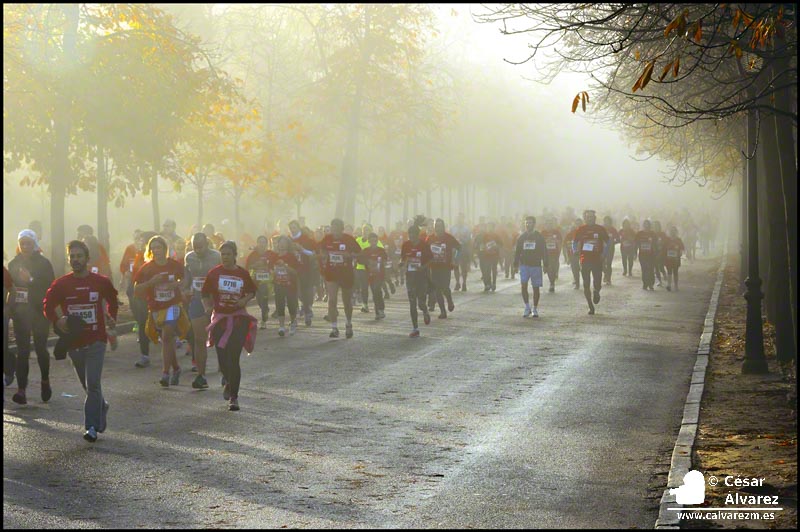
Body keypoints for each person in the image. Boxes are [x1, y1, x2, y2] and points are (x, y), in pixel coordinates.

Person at [43, 240, 117, 442]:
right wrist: (58, 320)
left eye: (79, 256)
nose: (76, 260)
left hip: (96, 340)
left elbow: (112, 299)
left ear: (87, 258)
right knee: (87, 385)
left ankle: (91, 427)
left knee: (93, 383)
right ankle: (101, 405)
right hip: (74, 342)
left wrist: (111, 317)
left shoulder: (100, 281)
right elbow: (48, 305)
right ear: (69, 260)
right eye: (72, 257)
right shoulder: (62, 284)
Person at [201, 241, 257, 411]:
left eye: (228, 254)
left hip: (238, 320)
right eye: (222, 254)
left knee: (233, 358)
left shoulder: (242, 274)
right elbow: (205, 293)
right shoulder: (214, 273)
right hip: (220, 320)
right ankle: (227, 379)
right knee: (222, 358)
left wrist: (243, 300)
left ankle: (234, 397)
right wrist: (207, 307)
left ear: (234, 255)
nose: (225, 257)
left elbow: (252, 291)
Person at [134, 235, 189, 387]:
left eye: (159, 247)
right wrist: (151, 282)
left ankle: (165, 373)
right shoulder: (147, 268)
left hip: (173, 304)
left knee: (167, 336)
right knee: (167, 340)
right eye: (154, 248)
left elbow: (184, 279)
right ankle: (176, 368)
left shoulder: (174, 265)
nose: (156, 251)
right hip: (156, 307)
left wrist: (177, 285)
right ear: (150, 251)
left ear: (165, 249)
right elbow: (136, 289)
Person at [8, 230, 55, 404]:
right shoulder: (14, 263)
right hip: (21, 313)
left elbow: (51, 287)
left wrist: (31, 280)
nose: (25, 246)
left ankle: (45, 380)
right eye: (22, 243)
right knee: (22, 352)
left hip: (39, 312)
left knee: (41, 348)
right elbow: (9, 286)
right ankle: (22, 391)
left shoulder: (43, 263)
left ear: (34, 244)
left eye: (28, 243)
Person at [182, 232, 221, 389]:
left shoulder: (217, 256)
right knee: (199, 339)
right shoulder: (189, 257)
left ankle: (223, 368)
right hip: (197, 300)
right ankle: (201, 375)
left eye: (200, 246)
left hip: (216, 301)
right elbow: (187, 279)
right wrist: (182, 288)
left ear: (207, 243)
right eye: (194, 247)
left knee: (219, 337)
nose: (197, 250)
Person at [318, 218, 361, 339]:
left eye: (337, 229)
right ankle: (334, 327)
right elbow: (321, 250)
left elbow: (359, 253)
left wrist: (350, 255)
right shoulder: (327, 239)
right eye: (333, 229)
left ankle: (348, 323)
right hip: (331, 273)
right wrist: (324, 255)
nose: (335, 232)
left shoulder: (349, 239)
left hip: (346, 273)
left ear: (342, 229)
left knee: (346, 301)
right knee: (332, 300)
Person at [121, 230, 154, 368]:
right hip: (138, 293)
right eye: (139, 240)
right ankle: (145, 355)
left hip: (155, 295)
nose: (140, 243)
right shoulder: (138, 254)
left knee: (161, 323)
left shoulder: (158, 257)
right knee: (141, 322)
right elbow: (132, 273)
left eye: (143, 241)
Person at [573, 210, 610, 315]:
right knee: (586, 283)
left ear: (595, 218)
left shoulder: (600, 229)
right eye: (587, 217)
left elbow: (608, 242)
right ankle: (590, 306)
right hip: (584, 259)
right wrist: (575, 250)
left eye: (591, 217)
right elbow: (574, 242)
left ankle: (596, 291)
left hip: (597, 259)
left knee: (597, 281)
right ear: (585, 218)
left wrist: (604, 254)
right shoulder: (581, 229)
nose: (589, 218)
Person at [400, 225, 433, 337]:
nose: (412, 236)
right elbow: (403, 259)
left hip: (421, 277)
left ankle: (425, 311)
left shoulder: (424, 245)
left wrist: (423, 267)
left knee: (420, 303)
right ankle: (415, 328)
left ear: (418, 235)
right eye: (410, 234)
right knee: (412, 302)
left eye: (414, 234)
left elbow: (431, 259)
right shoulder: (405, 245)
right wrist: (402, 264)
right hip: (410, 277)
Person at [514, 216, 548, 318]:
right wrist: (515, 264)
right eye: (527, 223)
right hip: (524, 265)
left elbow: (544, 251)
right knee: (523, 285)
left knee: (535, 288)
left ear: (534, 224)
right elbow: (517, 252)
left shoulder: (539, 237)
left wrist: (546, 264)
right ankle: (527, 307)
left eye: (530, 223)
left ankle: (535, 308)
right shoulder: (521, 237)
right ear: (525, 224)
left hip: (536, 265)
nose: (528, 225)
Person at [427, 218, 461, 318]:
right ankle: (443, 311)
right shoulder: (430, 238)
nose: (438, 228)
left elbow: (459, 248)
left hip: (446, 267)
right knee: (437, 289)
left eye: (440, 226)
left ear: (443, 227)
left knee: (445, 288)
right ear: (434, 227)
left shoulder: (449, 238)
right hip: (434, 267)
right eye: (436, 226)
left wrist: (455, 259)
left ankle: (449, 301)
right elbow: (424, 250)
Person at [288, 220, 318, 327]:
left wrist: (302, 249)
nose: (292, 229)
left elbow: (314, 253)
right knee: (295, 292)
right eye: (291, 227)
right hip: (292, 270)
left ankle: (307, 311)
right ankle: (298, 313)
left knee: (305, 292)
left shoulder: (306, 239)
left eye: (294, 227)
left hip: (305, 269)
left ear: (298, 228)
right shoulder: (288, 240)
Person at [245, 235, 277, 329]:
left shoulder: (271, 254)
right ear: (257, 243)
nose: (262, 244)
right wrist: (255, 265)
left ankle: (263, 320)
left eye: (264, 242)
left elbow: (276, 264)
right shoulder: (253, 255)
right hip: (256, 280)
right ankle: (265, 309)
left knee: (264, 296)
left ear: (267, 244)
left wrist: (269, 268)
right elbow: (248, 266)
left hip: (268, 281)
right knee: (259, 299)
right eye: (260, 242)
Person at [272, 236, 301, 336]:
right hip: (278, 284)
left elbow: (296, 272)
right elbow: (270, 270)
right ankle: (281, 326)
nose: (282, 244)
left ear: (288, 244)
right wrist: (273, 272)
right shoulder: (274, 256)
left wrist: (285, 266)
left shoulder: (291, 257)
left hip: (290, 284)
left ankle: (293, 322)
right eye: (280, 242)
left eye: (284, 242)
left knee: (291, 304)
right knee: (279, 304)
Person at [358, 233, 388, 319]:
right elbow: (359, 260)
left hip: (380, 274)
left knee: (377, 290)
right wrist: (368, 262)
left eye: (375, 241)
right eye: (371, 241)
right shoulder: (365, 251)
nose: (373, 242)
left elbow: (386, 260)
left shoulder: (381, 250)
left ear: (377, 241)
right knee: (374, 292)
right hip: (370, 275)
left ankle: (380, 310)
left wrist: (379, 262)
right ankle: (378, 312)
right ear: (369, 241)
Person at [474, 222, 502, 292]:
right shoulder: (480, 236)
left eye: (491, 227)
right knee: (485, 270)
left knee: (493, 269)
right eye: (488, 227)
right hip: (483, 255)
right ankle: (487, 284)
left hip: (493, 255)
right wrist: (479, 247)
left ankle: (493, 283)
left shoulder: (495, 235)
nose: (489, 228)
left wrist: (495, 246)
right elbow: (475, 245)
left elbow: (501, 244)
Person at [539, 217, 562, 293]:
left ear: (553, 224)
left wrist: (556, 242)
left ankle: (553, 278)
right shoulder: (543, 233)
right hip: (546, 254)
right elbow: (540, 243)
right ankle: (551, 283)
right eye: (548, 224)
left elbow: (560, 242)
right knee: (549, 269)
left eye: (551, 224)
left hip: (555, 253)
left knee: (554, 268)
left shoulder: (557, 232)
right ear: (545, 225)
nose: (549, 225)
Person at [450, 213, 472, 292]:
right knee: (456, 266)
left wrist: (462, 239)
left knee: (463, 267)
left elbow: (469, 239)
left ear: (463, 219)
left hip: (463, 249)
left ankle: (464, 283)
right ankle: (457, 282)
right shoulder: (452, 228)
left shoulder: (467, 229)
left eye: (461, 218)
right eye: (458, 218)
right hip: (455, 250)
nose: (459, 220)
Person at [636, 220, 657, 290]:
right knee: (644, 269)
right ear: (643, 225)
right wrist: (634, 252)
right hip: (642, 254)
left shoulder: (653, 233)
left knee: (651, 269)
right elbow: (635, 243)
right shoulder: (639, 233)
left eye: (647, 224)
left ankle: (651, 284)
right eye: (645, 224)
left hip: (651, 254)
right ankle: (645, 284)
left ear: (649, 225)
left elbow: (656, 243)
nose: (646, 225)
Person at [663, 226, 685, 292]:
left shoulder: (678, 240)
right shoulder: (667, 240)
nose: (672, 232)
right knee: (669, 271)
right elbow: (664, 249)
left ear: (676, 232)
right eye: (671, 231)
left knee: (675, 272)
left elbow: (682, 248)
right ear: (669, 232)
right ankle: (669, 285)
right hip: (668, 259)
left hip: (676, 259)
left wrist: (680, 253)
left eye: (674, 231)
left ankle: (676, 286)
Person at [564, 218, 583, 289]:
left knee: (583, 268)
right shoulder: (570, 234)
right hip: (573, 254)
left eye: (580, 224)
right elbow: (565, 245)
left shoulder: (585, 232)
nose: (578, 226)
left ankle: (585, 281)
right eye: (577, 224)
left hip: (583, 254)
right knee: (575, 268)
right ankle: (577, 283)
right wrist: (567, 257)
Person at [602, 215, 620, 285]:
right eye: (605, 221)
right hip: (602, 249)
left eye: (608, 222)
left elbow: (618, 239)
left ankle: (608, 279)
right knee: (601, 263)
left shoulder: (613, 230)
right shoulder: (601, 229)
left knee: (609, 264)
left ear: (610, 222)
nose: (606, 223)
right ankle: (606, 273)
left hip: (610, 249)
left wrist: (613, 242)